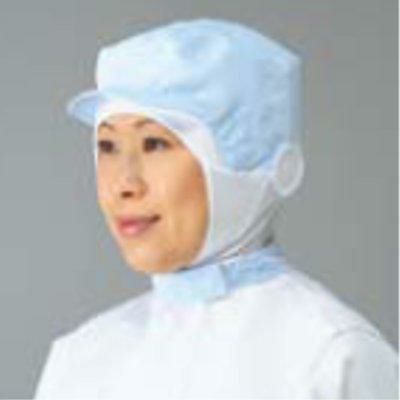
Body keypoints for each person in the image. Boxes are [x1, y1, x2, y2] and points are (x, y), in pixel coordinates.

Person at [34, 18, 398, 399]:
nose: (124, 184)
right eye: (107, 146)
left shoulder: (331, 356)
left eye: (155, 144)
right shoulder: (80, 358)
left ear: (260, 166)